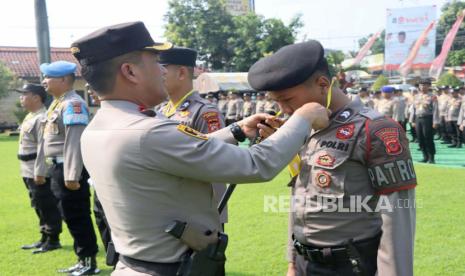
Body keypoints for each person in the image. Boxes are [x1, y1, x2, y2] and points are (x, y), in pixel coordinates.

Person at [71, 21, 329, 276]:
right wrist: (303, 118)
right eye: (155, 62)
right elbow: (257, 164)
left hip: (136, 263)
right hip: (174, 268)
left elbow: (176, 152)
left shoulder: (99, 128)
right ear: (130, 72)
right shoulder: (147, 132)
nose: (162, 71)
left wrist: (236, 131)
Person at [248, 40, 416, 276]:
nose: (284, 109)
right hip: (307, 263)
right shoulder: (304, 128)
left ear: (323, 84)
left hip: (351, 265)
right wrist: (293, 262)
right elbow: (300, 197)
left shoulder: (375, 129)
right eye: (277, 102)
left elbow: (397, 219)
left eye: (287, 100)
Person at [37, 60, 99, 275]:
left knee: (77, 215)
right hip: (58, 168)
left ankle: (89, 262)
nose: (44, 81)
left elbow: (74, 139)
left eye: (48, 77)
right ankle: (82, 259)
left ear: (64, 80)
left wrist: (72, 173)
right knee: (69, 214)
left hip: (68, 168)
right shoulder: (57, 103)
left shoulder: (73, 103)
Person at [158, 46, 228, 226]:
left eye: (162, 70)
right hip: (170, 204)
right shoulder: (161, 111)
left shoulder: (204, 111)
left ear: (181, 73)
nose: (157, 74)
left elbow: (217, 158)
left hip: (202, 209)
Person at [16, 83, 62, 254]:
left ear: (36, 97)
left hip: (37, 169)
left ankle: (53, 239)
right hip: (27, 168)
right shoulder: (30, 116)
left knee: (46, 204)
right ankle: (44, 237)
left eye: (24, 94)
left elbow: (43, 147)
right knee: (38, 204)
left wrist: (39, 172)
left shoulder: (42, 118)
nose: (21, 98)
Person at [409, 78, 440, 163]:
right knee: (420, 138)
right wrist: (412, 120)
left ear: (429, 86)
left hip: (428, 119)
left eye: (425, 85)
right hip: (418, 119)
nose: (422, 87)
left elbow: (436, 110)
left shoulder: (432, 96)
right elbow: (413, 110)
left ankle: (431, 157)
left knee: (428, 138)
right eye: (421, 85)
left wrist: (435, 121)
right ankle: (425, 156)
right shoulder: (416, 96)